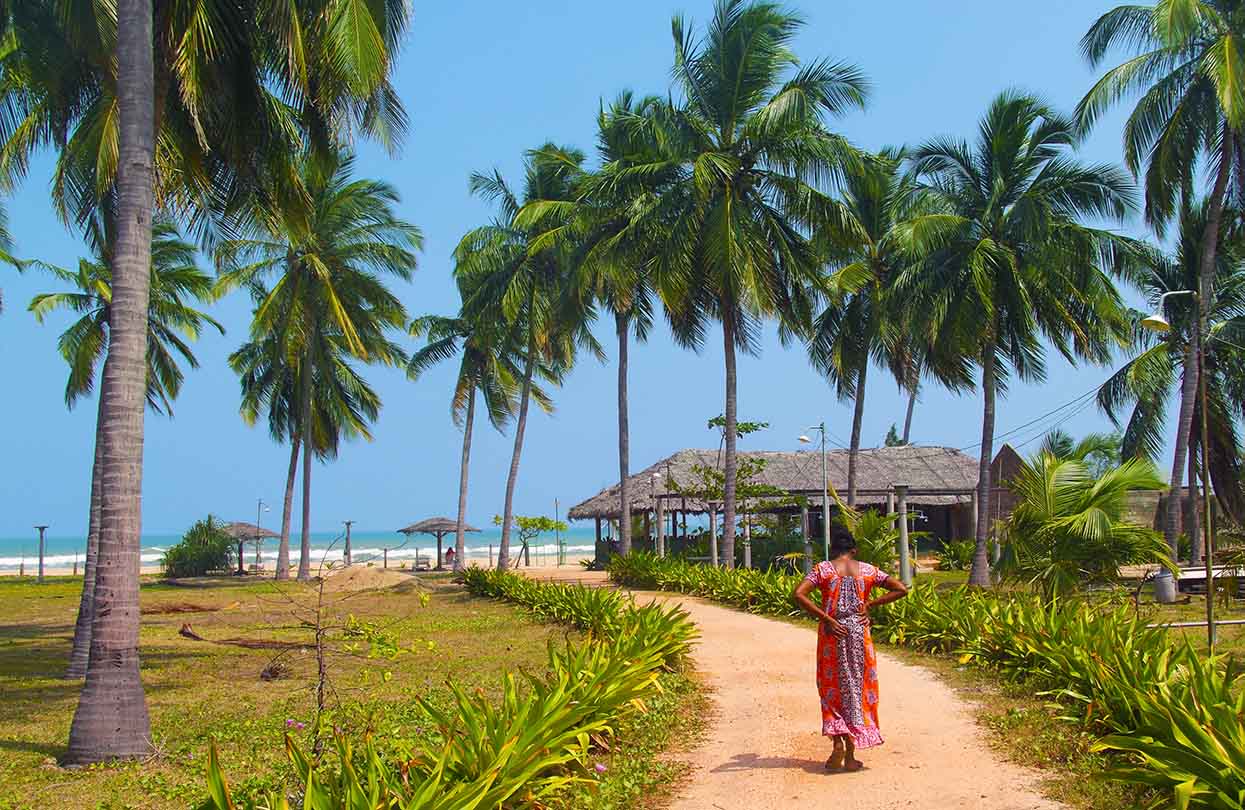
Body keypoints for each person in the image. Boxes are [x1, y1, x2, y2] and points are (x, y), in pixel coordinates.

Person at [792, 524, 908, 771]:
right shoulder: (867, 570)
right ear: (853, 550)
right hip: (858, 634)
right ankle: (851, 755)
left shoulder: (823, 569)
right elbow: (901, 589)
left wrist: (827, 618)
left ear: (833, 550)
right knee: (857, 687)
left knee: (831, 687)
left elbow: (799, 594)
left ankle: (837, 743)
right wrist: (870, 604)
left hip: (831, 634)